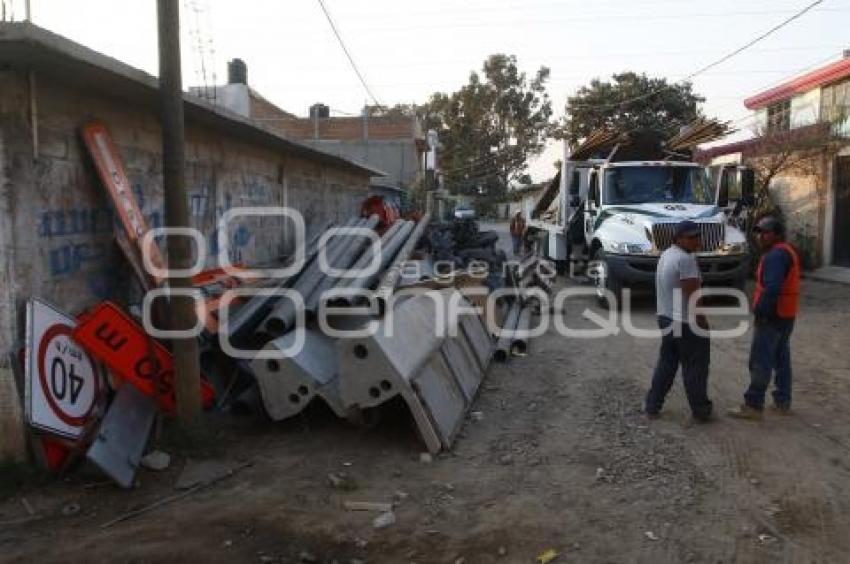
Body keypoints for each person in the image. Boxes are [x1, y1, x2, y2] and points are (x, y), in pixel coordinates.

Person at [728, 216, 800, 420]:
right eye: (758, 232)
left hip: (772, 315)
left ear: (777, 234)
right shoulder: (786, 251)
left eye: (766, 232)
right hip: (786, 314)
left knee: (761, 359)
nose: (760, 236)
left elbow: (773, 287)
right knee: (781, 357)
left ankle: (753, 404)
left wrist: (761, 311)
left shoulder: (775, 256)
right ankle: (782, 400)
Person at [645, 220, 713, 422]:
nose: (696, 241)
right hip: (685, 322)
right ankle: (701, 411)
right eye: (691, 237)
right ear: (678, 238)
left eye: (698, 236)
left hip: (666, 318)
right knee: (695, 367)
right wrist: (701, 320)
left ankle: (652, 405)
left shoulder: (666, 255)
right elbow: (692, 295)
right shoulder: (686, 260)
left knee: (666, 364)